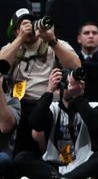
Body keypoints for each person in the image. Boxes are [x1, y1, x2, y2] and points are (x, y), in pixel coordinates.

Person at [0, 8, 81, 154]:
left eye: (31, 23)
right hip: (19, 106)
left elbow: (77, 68)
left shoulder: (55, 44)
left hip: (49, 104)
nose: (28, 28)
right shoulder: (11, 48)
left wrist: (52, 40)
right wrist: (19, 39)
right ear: (14, 31)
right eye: (22, 26)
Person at [14, 67, 98, 179]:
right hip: (55, 166)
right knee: (22, 157)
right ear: (59, 88)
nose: (71, 87)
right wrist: (49, 91)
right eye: (68, 84)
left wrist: (78, 97)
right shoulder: (53, 108)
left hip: (83, 166)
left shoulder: (96, 107)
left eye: (75, 84)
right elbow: (35, 123)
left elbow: (96, 125)